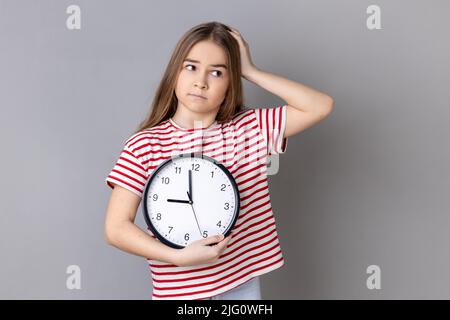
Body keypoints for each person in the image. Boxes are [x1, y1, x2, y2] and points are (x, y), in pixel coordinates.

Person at [104, 21, 334, 300]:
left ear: (230, 82)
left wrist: (250, 71)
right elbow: (116, 228)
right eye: (191, 67)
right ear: (174, 72)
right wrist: (176, 257)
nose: (201, 81)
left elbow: (320, 105)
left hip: (241, 286)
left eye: (217, 72)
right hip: (179, 292)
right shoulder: (145, 145)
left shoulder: (248, 129)